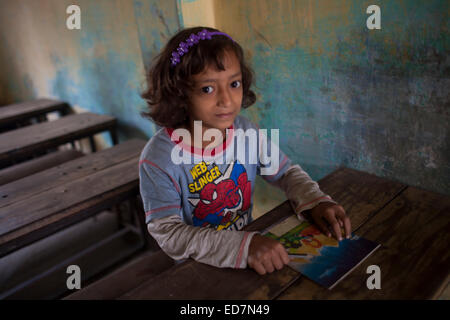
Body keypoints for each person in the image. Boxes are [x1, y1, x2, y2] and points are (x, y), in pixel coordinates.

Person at [139, 26, 351, 275]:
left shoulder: (246, 132)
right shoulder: (158, 160)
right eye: (207, 89)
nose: (227, 100)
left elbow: (285, 173)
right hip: (197, 269)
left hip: (249, 253)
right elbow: (169, 233)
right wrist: (243, 245)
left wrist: (314, 201)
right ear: (180, 93)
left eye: (234, 83)